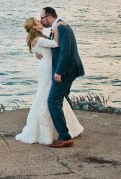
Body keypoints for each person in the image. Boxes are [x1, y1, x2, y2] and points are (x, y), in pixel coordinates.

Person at [15, 14, 83, 146]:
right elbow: (56, 44)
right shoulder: (39, 39)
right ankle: (54, 132)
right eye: (37, 21)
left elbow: (47, 48)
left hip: (47, 66)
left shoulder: (39, 39)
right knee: (47, 96)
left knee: (51, 97)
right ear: (34, 26)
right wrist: (56, 27)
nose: (40, 21)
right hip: (47, 69)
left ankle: (64, 130)